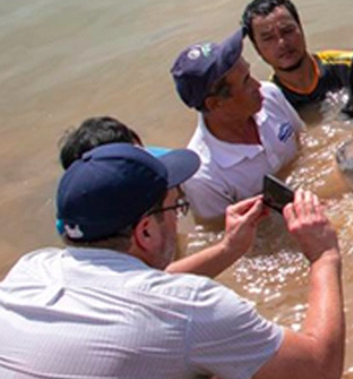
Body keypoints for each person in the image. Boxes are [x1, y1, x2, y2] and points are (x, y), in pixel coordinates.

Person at [0, 143, 344, 379]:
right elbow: (320, 365)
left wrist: (227, 249)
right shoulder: (189, 307)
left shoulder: (32, 270)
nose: (179, 219)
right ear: (145, 231)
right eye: (176, 208)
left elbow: (127, 288)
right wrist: (323, 256)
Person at [58, 115, 267, 279]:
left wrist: (228, 247)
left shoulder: (161, 162)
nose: (146, 164)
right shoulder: (80, 227)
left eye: (141, 154)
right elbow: (151, 282)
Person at [172, 30, 304, 221]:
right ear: (215, 104)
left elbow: (305, 142)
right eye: (245, 82)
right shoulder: (203, 177)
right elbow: (225, 235)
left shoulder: (270, 95)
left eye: (249, 73)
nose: (258, 85)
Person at [241, 0, 351, 108]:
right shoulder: (269, 103)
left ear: (301, 28)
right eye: (268, 38)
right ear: (256, 48)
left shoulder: (351, 66)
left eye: (287, 31)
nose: (282, 43)